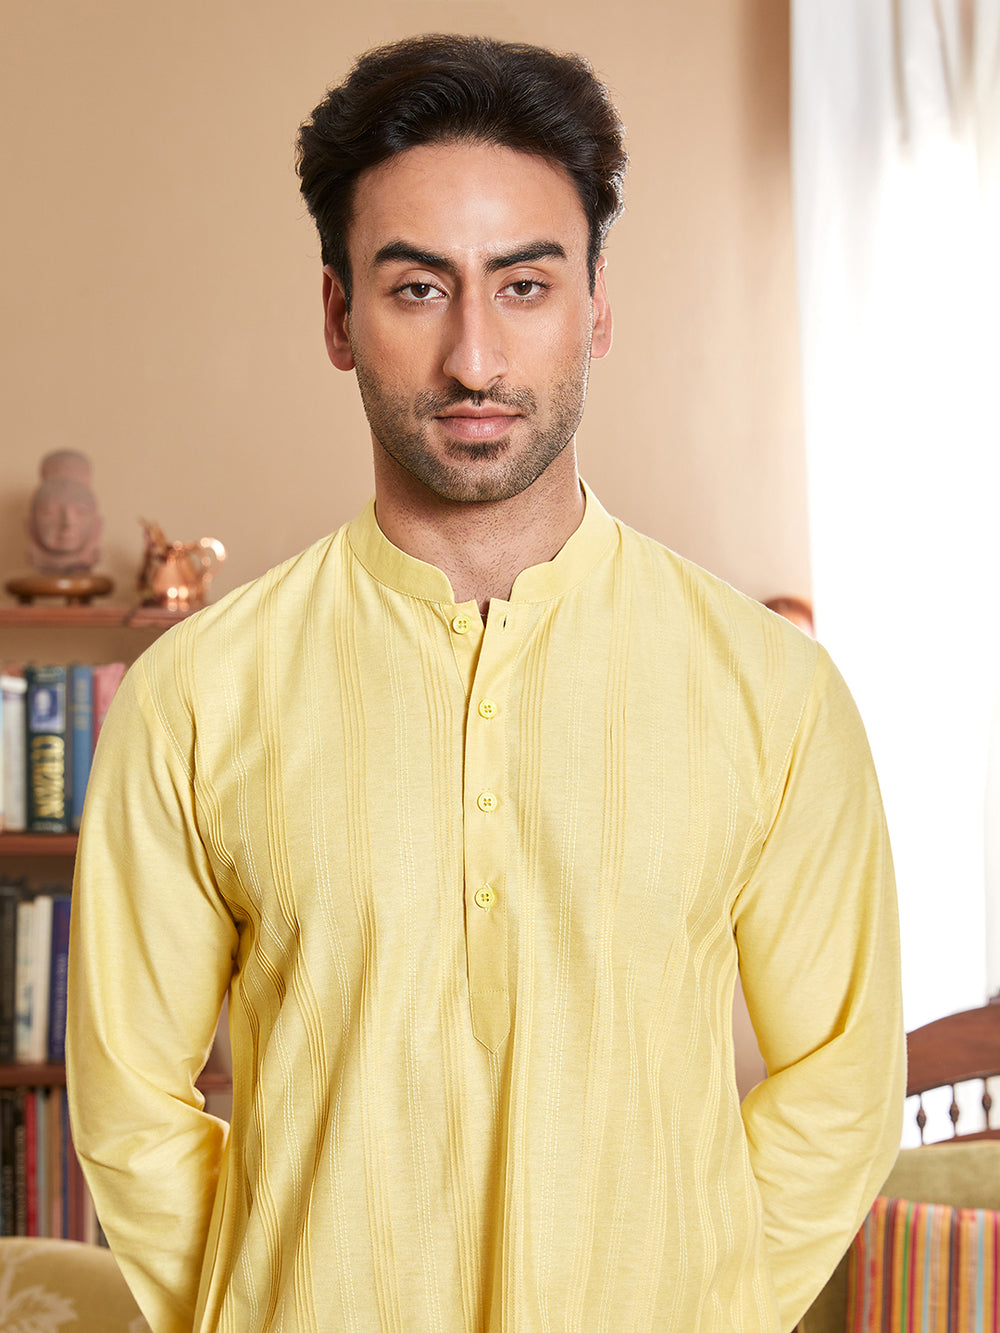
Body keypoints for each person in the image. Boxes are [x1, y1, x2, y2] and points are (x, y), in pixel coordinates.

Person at [67, 33, 905, 1333]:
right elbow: (128, 1105)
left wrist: (700, 1304)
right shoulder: (192, 699)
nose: (474, 357)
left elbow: (842, 1086)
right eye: (417, 288)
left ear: (596, 306)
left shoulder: (774, 693)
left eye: (524, 285)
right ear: (339, 315)